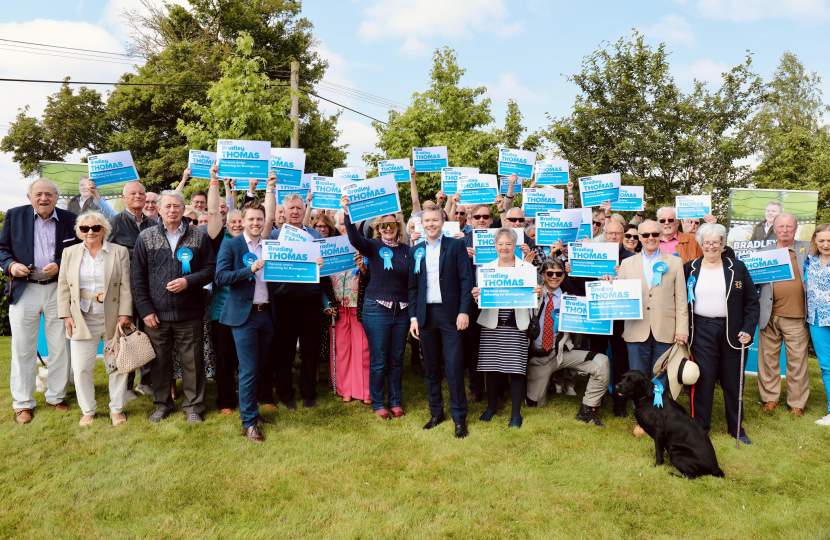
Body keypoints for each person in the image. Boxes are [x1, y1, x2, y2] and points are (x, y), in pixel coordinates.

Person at [131, 190, 216, 424]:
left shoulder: (199, 237)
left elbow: (210, 269)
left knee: (193, 363)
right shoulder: (145, 237)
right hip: (156, 315)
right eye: (167, 206)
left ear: (183, 209)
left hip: (189, 313)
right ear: (158, 209)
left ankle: (194, 408)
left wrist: (189, 281)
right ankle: (162, 405)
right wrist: (145, 310)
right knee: (159, 363)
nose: (172, 210)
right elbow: (137, 278)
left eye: (177, 206)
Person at [0, 179, 78, 423]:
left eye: (49, 194)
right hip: (26, 289)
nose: (44, 198)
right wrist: (11, 265)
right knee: (23, 348)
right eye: (39, 194)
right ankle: (23, 403)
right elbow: (2, 249)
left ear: (57, 197)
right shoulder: (14, 215)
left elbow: (79, 251)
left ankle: (55, 396)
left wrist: (62, 264)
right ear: (29, 196)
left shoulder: (69, 218)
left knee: (60, 347)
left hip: (57, 289)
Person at [684, 223, 760, 445]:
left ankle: (737, 428)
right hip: (701, 330)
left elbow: (752, 303)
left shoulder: (737, 267)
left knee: (733, 380)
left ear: (723, 244)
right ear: (700, 244)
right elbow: (681, 300)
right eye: (707, 242)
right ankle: (700, 428)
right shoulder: (690, 267)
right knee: (703, 380)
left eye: (716, 242)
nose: (711, 246)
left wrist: (748, 329)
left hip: (733, 331)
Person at [57, 212, 133, 426]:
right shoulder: (69, 253)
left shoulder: (119, 252)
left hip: (113, 317)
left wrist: (125, 313)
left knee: (116, 365)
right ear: (79, 231)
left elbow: (126, 284)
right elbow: (63, 286)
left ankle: (117, 409)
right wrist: (66, 316)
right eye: (85, 228)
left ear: (104, 230)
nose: (90, 232)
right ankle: (88, 410)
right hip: (81, 317)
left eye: (95, 228)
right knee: (81, 367)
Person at [615, 219, 688, 437]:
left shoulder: (674, 262)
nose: (650, 238)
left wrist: (682, 328)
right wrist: (610, 282)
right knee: (638, 376)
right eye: (645, 235)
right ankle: (642, 419)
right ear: (638, 238)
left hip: (666, 327)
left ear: (660, 235)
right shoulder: (627, 264)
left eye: (654, 234)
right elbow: (619, 295)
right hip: (636, 328)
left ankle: (662, 416)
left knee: (662, 376)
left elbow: (682, 300)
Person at [214, 201, 279, 442]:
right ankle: (249, 423)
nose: (255, 223)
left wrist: (312, 266)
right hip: (244, 316)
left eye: (259, 219)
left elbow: (289, 272)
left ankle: (252, 412)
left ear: (264, 221)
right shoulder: (231, 245)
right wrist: (249, 269)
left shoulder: (273, 247)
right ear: (243, 220)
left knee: (259, 368)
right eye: (250, 219)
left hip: (267, 314)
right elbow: (220, 277)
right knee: (249, 369)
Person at [342, 196, 410, 418]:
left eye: (392, 224)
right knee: (379, 359)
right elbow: (353, 238)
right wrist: (347, 212)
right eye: (384, 225)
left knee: (397, 358)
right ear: (377, 228)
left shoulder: (407, 250)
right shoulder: (372, 246)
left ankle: (396, 401)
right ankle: (378, 402)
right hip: (377, 308)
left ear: (398, 226)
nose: (388, 228)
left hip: (402, 310)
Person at [409, 205, 473, 438]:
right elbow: (413, 287)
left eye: (435, 220)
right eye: (427, 221)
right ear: (422, 224)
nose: (430, 224)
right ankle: (436, 413)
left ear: (442, 222)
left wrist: (464, 311)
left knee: (454, 367)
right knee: (431, 367)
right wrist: (414, 318)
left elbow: (466, 281)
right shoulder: (416, 251)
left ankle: (459, 418)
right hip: (426, 317)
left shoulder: (456, 246)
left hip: (451, 316)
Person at [471, 228, 542, 427]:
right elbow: (481, 299)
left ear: (514, 246)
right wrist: (476, 295)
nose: (504, 248)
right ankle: (491, 408)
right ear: (495, 246)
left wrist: (539, 291)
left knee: (517, 370)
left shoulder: (527, 268)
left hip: (517, 324)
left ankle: (516, 414)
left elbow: (537, 295)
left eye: (508, 244)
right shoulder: (486, 268)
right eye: (500, 244)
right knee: (492, 368)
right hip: (492, 325)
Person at [526, 258, 610, 427]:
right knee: (534, 404)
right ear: (542, 275)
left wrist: (607, 285)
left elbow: (594, 312)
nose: (554, 277)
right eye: (550, 273)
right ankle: (546, 384)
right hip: (537, 358)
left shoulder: (571, 300)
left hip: (561, 354)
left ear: (563, 277)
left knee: (601, 362)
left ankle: (588, 409)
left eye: (558, 273)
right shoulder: (531, 295)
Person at [260, 192, 323, 409]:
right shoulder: (273, 237)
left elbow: (326, 270)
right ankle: (285, 393)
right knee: (284, 350)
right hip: (284, 301)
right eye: (291, 209)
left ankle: (308, 393)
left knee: (309, 349)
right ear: (284, 213)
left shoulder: (315, 235)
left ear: (305, 211)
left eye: (299, 208)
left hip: (310, 300)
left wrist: (322, 264)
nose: (295, 211)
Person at [567, 220, 636, 417]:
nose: (613, 236)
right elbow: (580, 286)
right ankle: (594, 398)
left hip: (621, 318)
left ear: (624, 235)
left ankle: (620, 402)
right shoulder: (590, 256)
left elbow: (638, 288)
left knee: (621, 360)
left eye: (618, 233)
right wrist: (573, 273)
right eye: (610, 233)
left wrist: (621, 278)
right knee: (596, 357)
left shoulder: (632, 259)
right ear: (604, 235)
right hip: (598, 316)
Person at [201, 163, 250, 415]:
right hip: (222, 310)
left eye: (242, 220)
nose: (239, 224)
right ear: (226, 223)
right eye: (233, 221)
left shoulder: (252, 241)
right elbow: (212, 211)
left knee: (249, 360)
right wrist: (214, 181)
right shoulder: (219, 238)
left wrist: (270, 188)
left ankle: (252, 397)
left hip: (249, 307)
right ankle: (226, 402)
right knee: (224, 358)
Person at [756, 213, 810, 417]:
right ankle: (770, 398)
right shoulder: (763, 252)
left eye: (789, 226)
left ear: (796, 229)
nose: (785, 230)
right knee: (768, 359)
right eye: (781, 227)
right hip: (768, 314)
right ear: (774, 229)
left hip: (796, 315)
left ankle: (797, 403)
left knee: (797, 361)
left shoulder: (807, 249)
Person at [108, 180, 157, 397]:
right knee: (124, 335)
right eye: (133, 193)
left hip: (150, 290)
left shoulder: (155, 224)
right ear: (124, 197)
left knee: (148, 335)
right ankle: (125, 385)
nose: (138, 196)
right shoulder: (113, 224)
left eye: (141, 193)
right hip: (123, 290)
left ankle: (145, 381)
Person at [323, 210, 371, 404]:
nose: (345, 227)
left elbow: (371, 277)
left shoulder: (365, 247)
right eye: (342, 224)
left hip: (358, 305)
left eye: (349, 224)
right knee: (341, 349)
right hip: (338, 306)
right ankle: (346, 389)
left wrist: (364, 268)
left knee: (362, 349)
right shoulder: (328, 247)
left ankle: (364, 390)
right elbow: (321, 280)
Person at [462, 203, 496, 403]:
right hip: (472, 302)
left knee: (495, 346)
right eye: (477, 217)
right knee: (473, 347)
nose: (481, 220)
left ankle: (498, 391)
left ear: (491, 220)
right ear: (470, 220)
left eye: (485, 216)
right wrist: (461, 257)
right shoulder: (461, 243)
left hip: (496, 300)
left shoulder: (503, 240)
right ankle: (476, 390)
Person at [804, 224, 830, 425]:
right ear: (815, 241)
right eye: (821, 240)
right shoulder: (809, 262)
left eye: (829, 240)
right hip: (817, 320)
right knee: (826, 367)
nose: (826, 244)